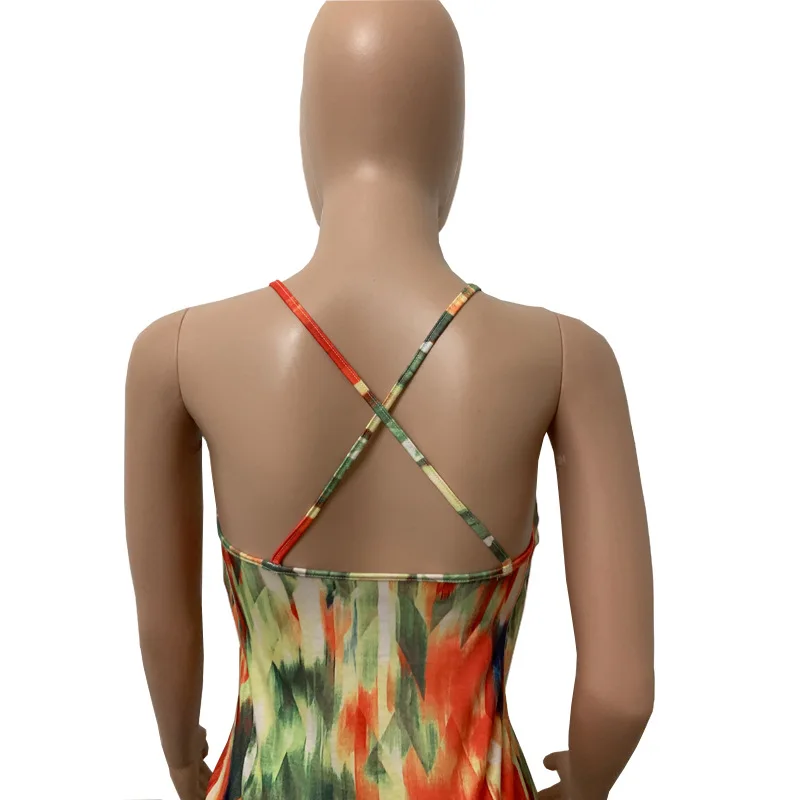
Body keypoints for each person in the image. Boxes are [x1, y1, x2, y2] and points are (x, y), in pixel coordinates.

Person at [125, 2, 654, 798]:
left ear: (308, 133)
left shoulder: (175, 353)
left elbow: (166, 633)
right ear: (454, 141)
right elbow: (620, 696)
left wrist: (180, 759)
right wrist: (585, 785)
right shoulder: (566, 358)